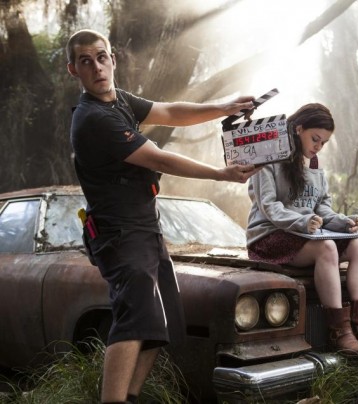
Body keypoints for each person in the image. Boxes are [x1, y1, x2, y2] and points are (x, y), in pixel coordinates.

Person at [66, 29, 260, 404]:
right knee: (135, 320)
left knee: (161, 321)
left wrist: (224, 107)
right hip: (119, 232)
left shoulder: (119, 101)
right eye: (86, 61)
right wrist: (220, 174)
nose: (97, 67)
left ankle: (130, 397)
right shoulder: (93, 118)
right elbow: (159, 159)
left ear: (112, 60)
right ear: (74, 69)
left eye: (101, 57)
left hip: (144, 226)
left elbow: (170, 112)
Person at [246, 103, 358, 356]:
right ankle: (340, 333)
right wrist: (303, 222)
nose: (318, 146)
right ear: (298, 129)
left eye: (324, 142)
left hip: (305, 236)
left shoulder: (313, 163)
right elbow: (268, 206)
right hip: (268, 236)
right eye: (315, 139)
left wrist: (345, 222)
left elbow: (322, 207)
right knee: (327, 247)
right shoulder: (268, 157)